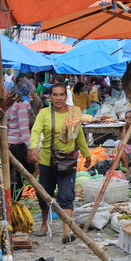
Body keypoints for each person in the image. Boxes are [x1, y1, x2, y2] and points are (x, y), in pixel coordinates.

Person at [28, 83, 91, 243]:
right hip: (47, 160)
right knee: (44, 194)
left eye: (61, 94)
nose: (58, 98)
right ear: (50, 97)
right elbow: (35, 131)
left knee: (66, 195)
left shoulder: (74, 114)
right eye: (54, 95)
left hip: (68, 161)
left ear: (66, 96)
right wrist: (33, 147)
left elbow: (80, 136)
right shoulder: (44, 114)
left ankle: (66, 230)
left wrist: (86, 154)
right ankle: (43, 224)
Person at [8, 73, 36, 201]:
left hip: (8, 143)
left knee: (11, 175)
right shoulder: (22, 103)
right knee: (30, 169)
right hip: (18, 144)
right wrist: (29, 147)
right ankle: (17, 200)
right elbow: (24, 127)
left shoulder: (9, 100)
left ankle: (12, 200)